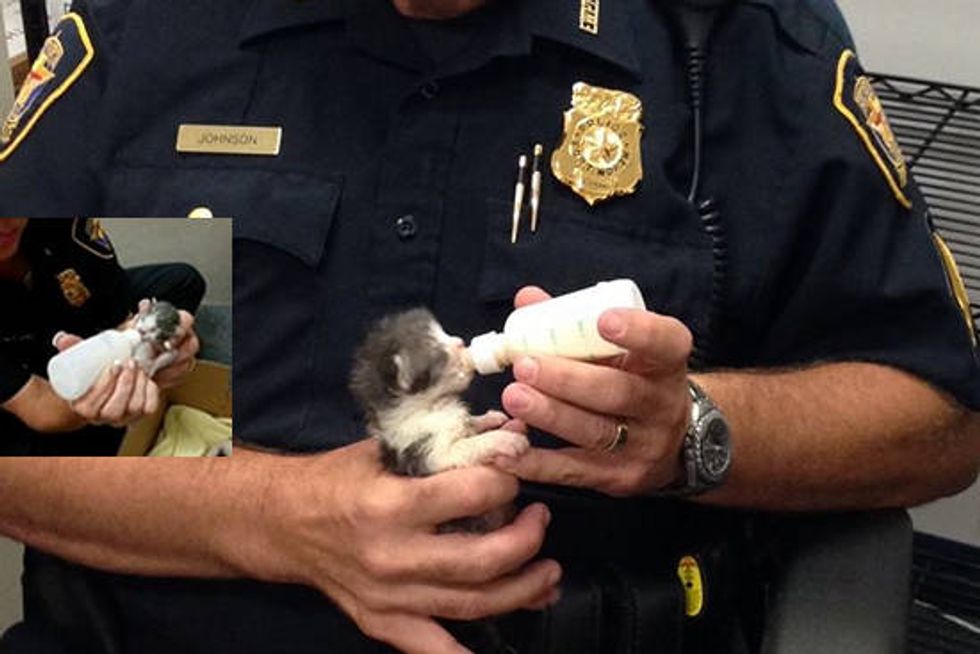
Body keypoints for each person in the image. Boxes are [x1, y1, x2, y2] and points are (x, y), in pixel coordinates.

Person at [0, 0, 977, 653]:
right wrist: (276, 515)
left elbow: (938, 416)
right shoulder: (148, 40)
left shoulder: (730, 46)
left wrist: (696, 433)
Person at [0, 218, 204, 456]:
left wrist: (140, 344)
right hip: (22, 368)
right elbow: (39, 406)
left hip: (63, 315)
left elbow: (114, 308)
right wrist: (91, 403)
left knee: (183, 281)